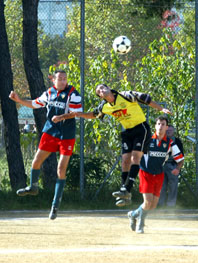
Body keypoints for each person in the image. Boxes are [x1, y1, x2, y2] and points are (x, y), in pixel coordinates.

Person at [59, 84, 172, 207]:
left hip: (141, 128)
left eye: (103, 87)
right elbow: (93, 114)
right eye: (99, 91)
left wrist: (161, 109)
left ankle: (127, 189)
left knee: (135, 158)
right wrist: (79, 114)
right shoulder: (105, 106)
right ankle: (125, 192)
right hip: (128, 132)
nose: (102, 90)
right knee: (124, 161)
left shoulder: (125, 95)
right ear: (100, 96)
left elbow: (145, 98)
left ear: (108, 88)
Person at [9, 70, 82, 220]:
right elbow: (35, 104)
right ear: (53, 80)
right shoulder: (49, 93)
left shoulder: (73, 93)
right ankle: (33, 187)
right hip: (50, 132)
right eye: (60, 79)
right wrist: (19, 100)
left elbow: (77, 113)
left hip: (66, 135)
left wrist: (61, 117)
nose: (63, 81)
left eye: (65, 79)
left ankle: (55, 205)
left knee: (60, 170)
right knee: (36, 162)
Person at [128, 116, 184, 234]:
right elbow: (136, 153)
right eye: (158, 124)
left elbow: (180, 159)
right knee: (148, 202)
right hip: (145, 172)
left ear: (167, 127)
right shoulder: (147, 140)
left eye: (163, 124)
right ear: (155, 126)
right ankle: (140, 225)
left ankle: (133, 214)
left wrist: (177, 169)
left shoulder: (170, 143)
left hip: (158, 174)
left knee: (153, 205)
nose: (160, 126)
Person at [158, 125, 184, 207]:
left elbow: (181, 155)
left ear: (173, 132)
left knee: (173, 186)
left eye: (170, 130)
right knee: (162, 186)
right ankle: (160, 204)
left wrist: (178, 167)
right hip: (162, 165)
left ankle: (171, 205)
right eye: (167, 130)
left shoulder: (177, 141)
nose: (168, 132)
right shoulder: (161, 140)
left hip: (172, 165)